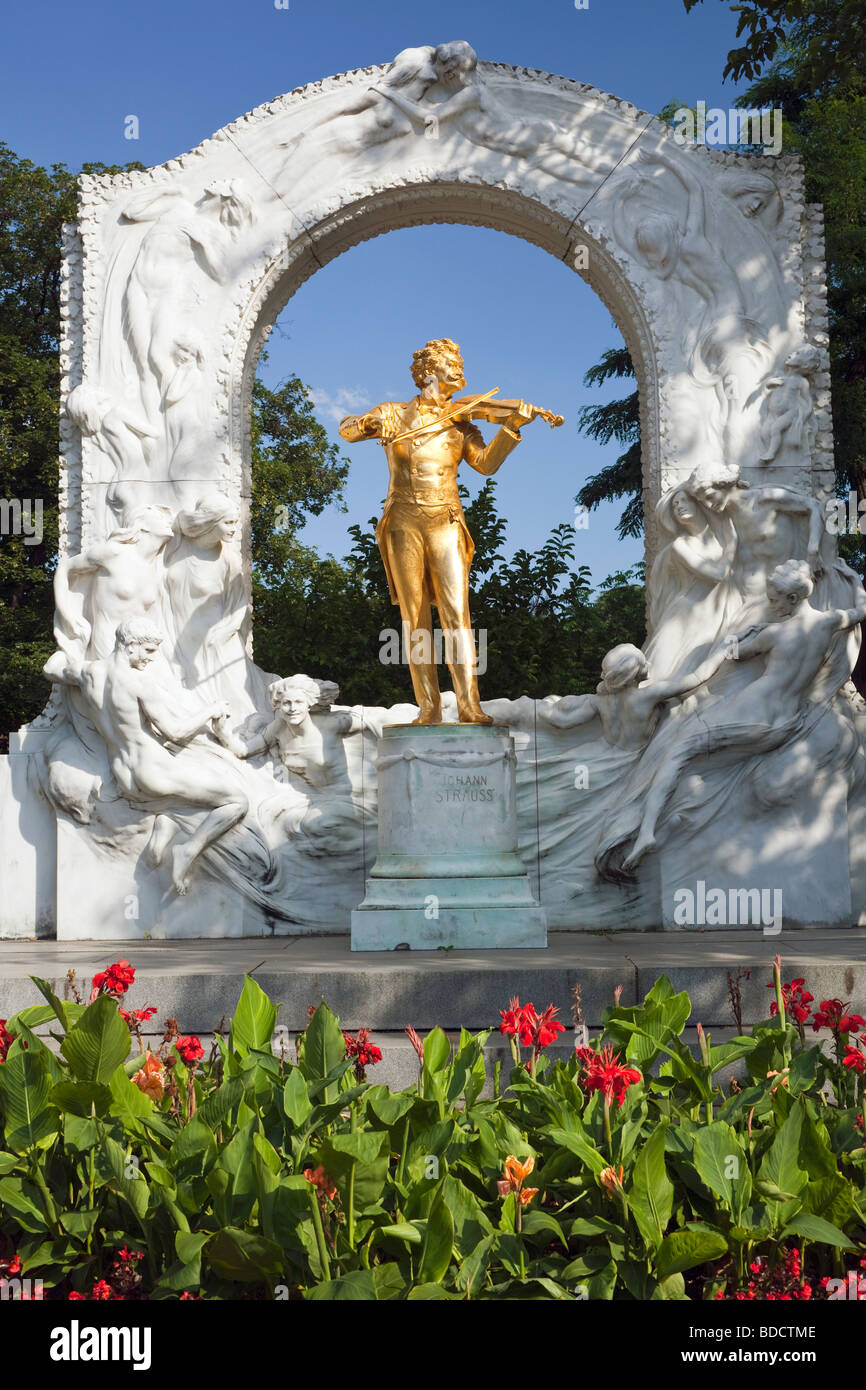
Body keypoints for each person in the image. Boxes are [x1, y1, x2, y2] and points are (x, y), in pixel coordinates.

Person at [339, 337, 556, 723]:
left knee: (457, 613)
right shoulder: (393, 413)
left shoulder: (463, 420)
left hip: (446, 519)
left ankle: (470, 705)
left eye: (459, 361)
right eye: (451, 362)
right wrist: (366, 423)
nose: (459, 368)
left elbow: (486, 465)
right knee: (415, 615)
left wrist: (512, 427)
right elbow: (347, 430)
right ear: (428, 371)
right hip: (403, 518)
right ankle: (428, 706)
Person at [601, 561, 866, 876]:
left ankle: (646, 832)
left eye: (775, 599)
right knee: (705, 760)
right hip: (786, 721)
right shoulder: (829, 622)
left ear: (793, 600)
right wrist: (852, 577)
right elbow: (860, 610)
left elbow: (736, 653)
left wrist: (738, 636)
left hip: (753, 709)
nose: (771, 604)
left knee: (677, 753)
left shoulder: (776, 634)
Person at [44, 617, 247, 896]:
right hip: (151, 770)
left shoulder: (87, 673)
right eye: (149, 650)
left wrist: (65, 649)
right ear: (130, 645)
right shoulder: (138, 682)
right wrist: (210, 710)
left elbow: (51, 669)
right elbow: (175, 732)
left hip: (122, 776)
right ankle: (187, 851)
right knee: (237, 801)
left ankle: (165, 827)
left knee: (184, 798)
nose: (152, 658)